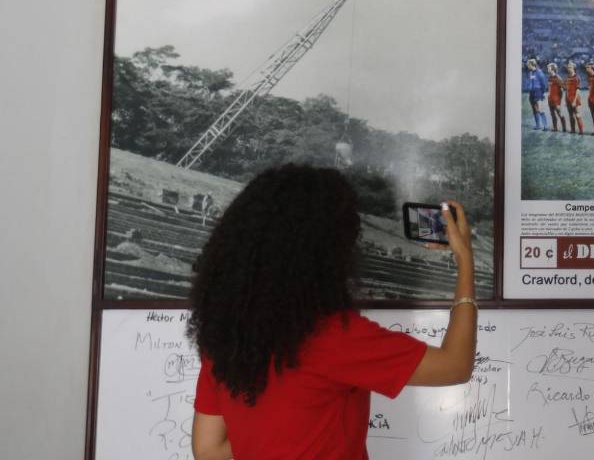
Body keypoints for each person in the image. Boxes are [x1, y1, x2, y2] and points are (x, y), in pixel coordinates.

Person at [189, 165, 477, 460]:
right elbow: (455, 365)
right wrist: (465, 260)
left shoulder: (225, 339)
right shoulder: (336, 337)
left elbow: (208, 450)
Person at [526, 58, 548, 131]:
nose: (527, 66)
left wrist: (543, 93)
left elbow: (543, 84)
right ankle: (538, 125)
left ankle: (545, 126)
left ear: (532, 64)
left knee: (540, 109)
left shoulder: (539, 73)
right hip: (531, 93)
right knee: (534, 110)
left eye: (528, 64)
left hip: (538, 93)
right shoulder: (530, 73)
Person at [564, 60, 584, 135]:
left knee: (577, 114)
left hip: (575, 99)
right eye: (568, 67)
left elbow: (578, 91)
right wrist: (566, 100)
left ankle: (581, 131)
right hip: (568, 99)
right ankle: (573, 130)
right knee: (570, 115)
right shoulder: (567, 78)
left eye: (570, 67)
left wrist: (574, 101)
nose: (569, 69)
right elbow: (566, 90)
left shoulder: (577, 77)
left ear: (574, 68)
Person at [546, 62, 564, 132]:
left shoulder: (558, 78)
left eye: (549, 68)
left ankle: (564, 128)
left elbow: (562, 90)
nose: (547, 69)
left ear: (553, 69)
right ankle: (555, 128)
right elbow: (549, 88)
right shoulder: (549, 78)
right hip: (550, 99)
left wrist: (559, 101)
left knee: (559, 114)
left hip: (556, 100)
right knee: (552, 114)